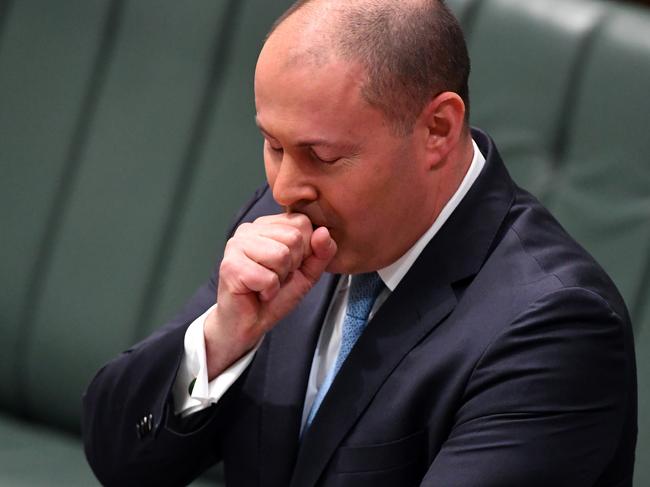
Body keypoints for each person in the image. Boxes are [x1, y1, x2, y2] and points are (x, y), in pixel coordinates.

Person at [82, 0, 637, 485]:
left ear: (438, 130)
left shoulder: (557, 326)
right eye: (273, 146)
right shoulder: (283, 221)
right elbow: (118, 459)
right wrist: (223, 337)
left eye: (322, 157)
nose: (285, 187)